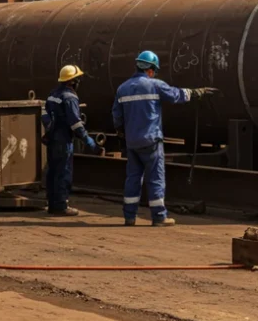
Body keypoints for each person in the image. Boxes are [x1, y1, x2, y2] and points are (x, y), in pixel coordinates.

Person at [112, 50, 217, 227]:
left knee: (133, 178)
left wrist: (122, 133)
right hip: (151, 141)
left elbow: (116, 116)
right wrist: (197, 92)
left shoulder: (122, 88)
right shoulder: (155, 85)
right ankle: (159, 217)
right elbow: (176, 95)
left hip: (132, 142)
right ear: (151, 69)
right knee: (155, 178)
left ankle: (129, 217)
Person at [42, 64, 103, 216]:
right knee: (64, 172)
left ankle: (52, 203)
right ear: (73, 81)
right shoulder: (70, 97)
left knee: (53, 171)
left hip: (52, 139)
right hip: (63, 140)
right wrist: (89, 142)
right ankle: (61, 206)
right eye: (77, 79)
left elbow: (44, 112)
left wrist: (50, 128)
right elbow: (75, 123)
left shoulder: (53, 94)